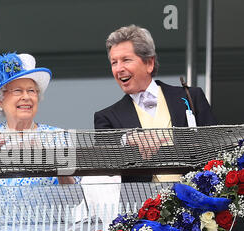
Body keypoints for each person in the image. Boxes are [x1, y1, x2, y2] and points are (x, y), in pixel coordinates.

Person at [93, 24, 217, 182]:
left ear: (149, 63)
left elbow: (217, 148)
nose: (119, 69)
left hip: (196, 202)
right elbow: (102, 158)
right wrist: (126, 139)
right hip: (139, 204)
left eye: (126, 60)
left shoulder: (192, 97)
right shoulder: (107, 117)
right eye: (114, 62)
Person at [0, 52, 80, 189]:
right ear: (0, 99)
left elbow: (76, 197)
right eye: (17, 91)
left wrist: (55, 164)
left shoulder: (58, 137)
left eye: (31, 91)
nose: (26, 97)